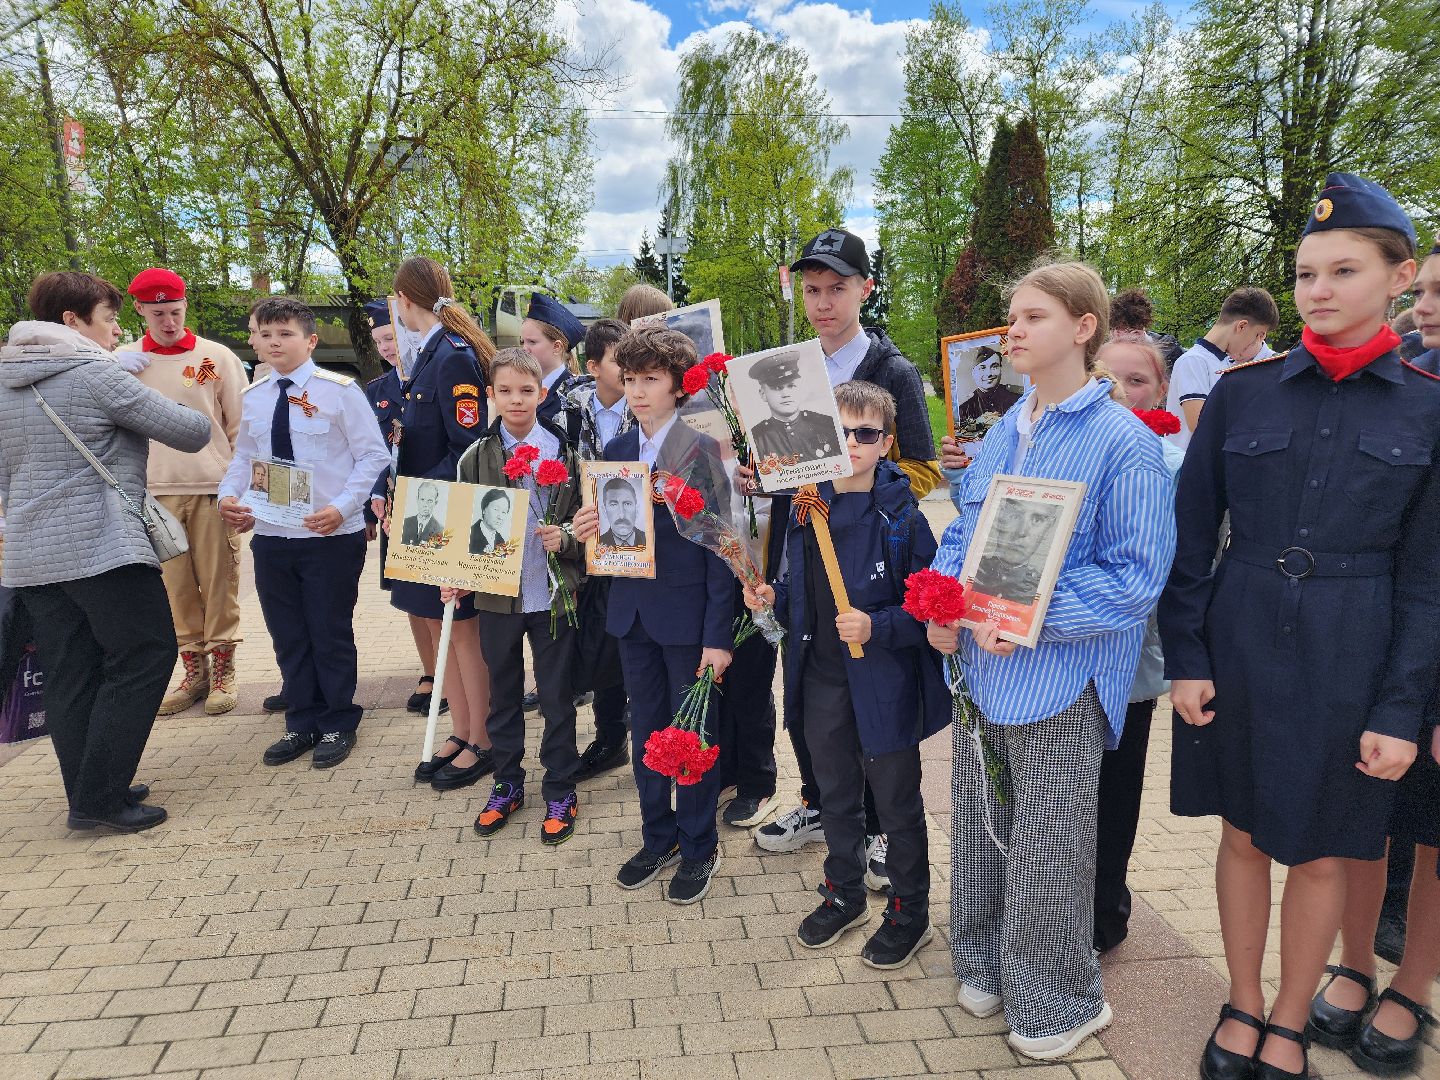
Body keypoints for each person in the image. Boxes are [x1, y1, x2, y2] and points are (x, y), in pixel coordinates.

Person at [1159, 174, 1440, 1080]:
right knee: (1242, 832)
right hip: (1240, 639)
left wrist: (1401, 710)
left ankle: (1289, 1017)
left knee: (1321, 845)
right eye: (1307, 271)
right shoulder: (1243, 394)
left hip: (1354, 648)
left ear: (1399, 279)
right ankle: (1241, 1002)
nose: (1318, 289)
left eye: (1344, 270)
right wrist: (1188, 660)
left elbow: (1431, 579)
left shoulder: (1430, 408)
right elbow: (1190, 539)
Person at [928, 261, 1175, 1061]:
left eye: (1033, 316)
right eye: (1012, 316)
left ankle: (1055, 1001)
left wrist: (1035, 619)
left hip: (1061, 678)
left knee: (1049, 848)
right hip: (983, 668)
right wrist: (947, 605)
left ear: (1083, 327)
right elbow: (968, 529)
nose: (1014, 330)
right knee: (978, 827)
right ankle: (985, 964)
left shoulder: (1124, 443)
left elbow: (1137, 577)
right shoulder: (1008, 427)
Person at [755, 227, 940, 878]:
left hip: (867, 562)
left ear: (865, 289)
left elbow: (922, 469)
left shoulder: (892, 372)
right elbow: (780, 476)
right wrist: (770, 478)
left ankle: (881, 827)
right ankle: (823, 803)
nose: (824, 302)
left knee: (873, 697)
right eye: (812, 289)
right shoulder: (786, 372)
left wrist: (853, 482)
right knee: (811, 692)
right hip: (802, 559)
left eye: (837, 288)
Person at [744, 380, 948, 968]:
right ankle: (845, 892)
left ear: (886, 444)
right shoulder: (808, 508)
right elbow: (798, 591)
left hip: (882, 684)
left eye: (866, 434)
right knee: (833, 792)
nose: (853, 443)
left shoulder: (905, 520)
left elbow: (929, 605)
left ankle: (910, 912)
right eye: (841, 432)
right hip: (821, 677)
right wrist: (772, 597)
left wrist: (877, 627)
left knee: (897, 801)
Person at [0, 271, 212, 832]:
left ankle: (91, 787)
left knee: (72, 671)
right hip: (101, 547)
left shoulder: (2, 379)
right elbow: (190, 431)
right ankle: (100, 797)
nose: (118, 329)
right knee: (145, 656)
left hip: (31, 556)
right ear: (72, 322)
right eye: (109, 317)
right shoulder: (93, 373)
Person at [1303, 239, 1440, 1078]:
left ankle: (1414, 982)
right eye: (1426, 290)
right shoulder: (1407, 388)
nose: (1428, 307)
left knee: (1434, 829)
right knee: (1367, 817)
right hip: (1385, 636)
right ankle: (1356, 961)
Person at [572, 325, 734, 904]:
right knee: (648, 731)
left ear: (676, 387)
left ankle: (698, 845)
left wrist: (719, 637)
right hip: (632, 613)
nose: (638, 391)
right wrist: (583, 530)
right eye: (631, 379)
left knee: (691, 732)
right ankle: (656, 834)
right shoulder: (613, 453)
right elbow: (608, 537)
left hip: (688, 618)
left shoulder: (700, 451)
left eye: (652, 380)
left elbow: (721, 547)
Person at [218, 297, 389, 769]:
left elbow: (373, 455)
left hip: (330, 535)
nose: (274, 342)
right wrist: (229, 497)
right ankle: (301, 720)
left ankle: (337, 720)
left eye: (285, 333)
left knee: (328, 630)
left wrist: (342, 508)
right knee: (288, 632)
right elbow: (244, 459)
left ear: (310, 340)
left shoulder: (340, 392)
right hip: (273, 533)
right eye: (265, 333)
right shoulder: (254, 397)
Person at [449, 347, 585, 843]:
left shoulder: (566, 454)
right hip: (497, 598)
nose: (516, 399)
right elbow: (462, 528)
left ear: (542, 394)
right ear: (490, 395)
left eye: (526, 391)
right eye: (504, 391)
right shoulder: (475, 456)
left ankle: (561, 786)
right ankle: (507, 781)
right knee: (502, 695)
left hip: (552, 597)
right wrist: (456, 572)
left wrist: (564, 538)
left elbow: (585, 528)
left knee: (555, 697)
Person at [371, 257, 495, 790]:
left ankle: (482, 738)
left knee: (463, 631)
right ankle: (462, 729)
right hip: (423, 508)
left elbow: (468, 449)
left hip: (445, 511)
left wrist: (426, 496)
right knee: (440, 626)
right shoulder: (428, 353)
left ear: (404, 298)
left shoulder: (452, 355)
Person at [1090, 337, 1185, 954]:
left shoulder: (1172, 466)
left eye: (1139, 381)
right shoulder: (1062, 447)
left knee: (1116, 792)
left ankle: (1104, 907)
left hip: (1132, 664)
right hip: (1062, 659)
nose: (1122, 393)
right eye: (1107, 378)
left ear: (1163, 390)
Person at [121, 268, 248, 718]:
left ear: (185, 305)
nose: (169, 322)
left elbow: (239, 426)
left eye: (175, 311)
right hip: (153, 492)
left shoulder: (215, 357)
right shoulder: (124, 361)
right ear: (140, 310)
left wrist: (240, 484)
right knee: (174, 588)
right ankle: (194, 671)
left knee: (219, 581)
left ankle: (225, 668)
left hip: (212, 487)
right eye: (158, 314)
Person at [357, 297, 443, 717]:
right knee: (409, 596)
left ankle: (447, 675)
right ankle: (429, 672)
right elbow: (370, 453)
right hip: (392, 507)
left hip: (432, 503)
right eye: (378, 342)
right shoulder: (377, 391)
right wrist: (370, 504)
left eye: (390, 337)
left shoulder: (434, 374)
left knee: (436, 596)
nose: (386, 348)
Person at [559, 317, 635, 781]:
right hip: (587, 541)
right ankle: (610, 739)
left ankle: (646, 736)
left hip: (637, 538)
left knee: (635, 640)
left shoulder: (645, 406)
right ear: (593, 365)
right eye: (618, 359)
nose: (630, 369)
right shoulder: (568, 410)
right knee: (602, 642)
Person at [1163, 287, 1280, 450]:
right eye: (1259, 335)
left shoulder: (1226, 363)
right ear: (1241, 326)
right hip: (1188, 469)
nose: (1259, 342)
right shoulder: (1193, 361)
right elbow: (1200, 425)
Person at [748, 352, 841, 462]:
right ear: (763, 394)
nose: (786, 394)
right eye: (777, 387)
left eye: (791, 386)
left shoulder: (828, 425)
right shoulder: (757, 438)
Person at [521, 293, 585, 425]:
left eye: (532, 342)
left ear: (557, 347)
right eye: (522, 342)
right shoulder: (520, 387)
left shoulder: (575, 394)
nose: (524, 349)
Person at [1108, 287, 1183, 369]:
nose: (1127, 335)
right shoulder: (1104, 353)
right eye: (1119, 328)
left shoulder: (1169, 349)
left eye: (1131, 329)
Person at [954, 346, 1021, 425]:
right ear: (973, 373)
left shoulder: (1018, 399)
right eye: (982, 368)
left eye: (994, 367)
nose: (989, 374)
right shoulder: (964, 410)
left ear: (1001, 369)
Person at [598, 478, 644, 548]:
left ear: (636, 510)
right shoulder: (596, 543)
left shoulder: (651, 541)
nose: (622, 515)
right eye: (613, 505)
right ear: (604, 512)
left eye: (627, 504)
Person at [401, 480, 445, 545]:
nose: (425, 504)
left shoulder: (440, 530)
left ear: (435, 503)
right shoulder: (404, 523)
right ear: (417, 500)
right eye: (422, 499)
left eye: (429, 501)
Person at [469, 489, 511, 554]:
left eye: (504, 512)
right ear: (484, 510)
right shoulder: (469, 534)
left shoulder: (501, 541)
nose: (500, 517)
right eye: (496, 509)